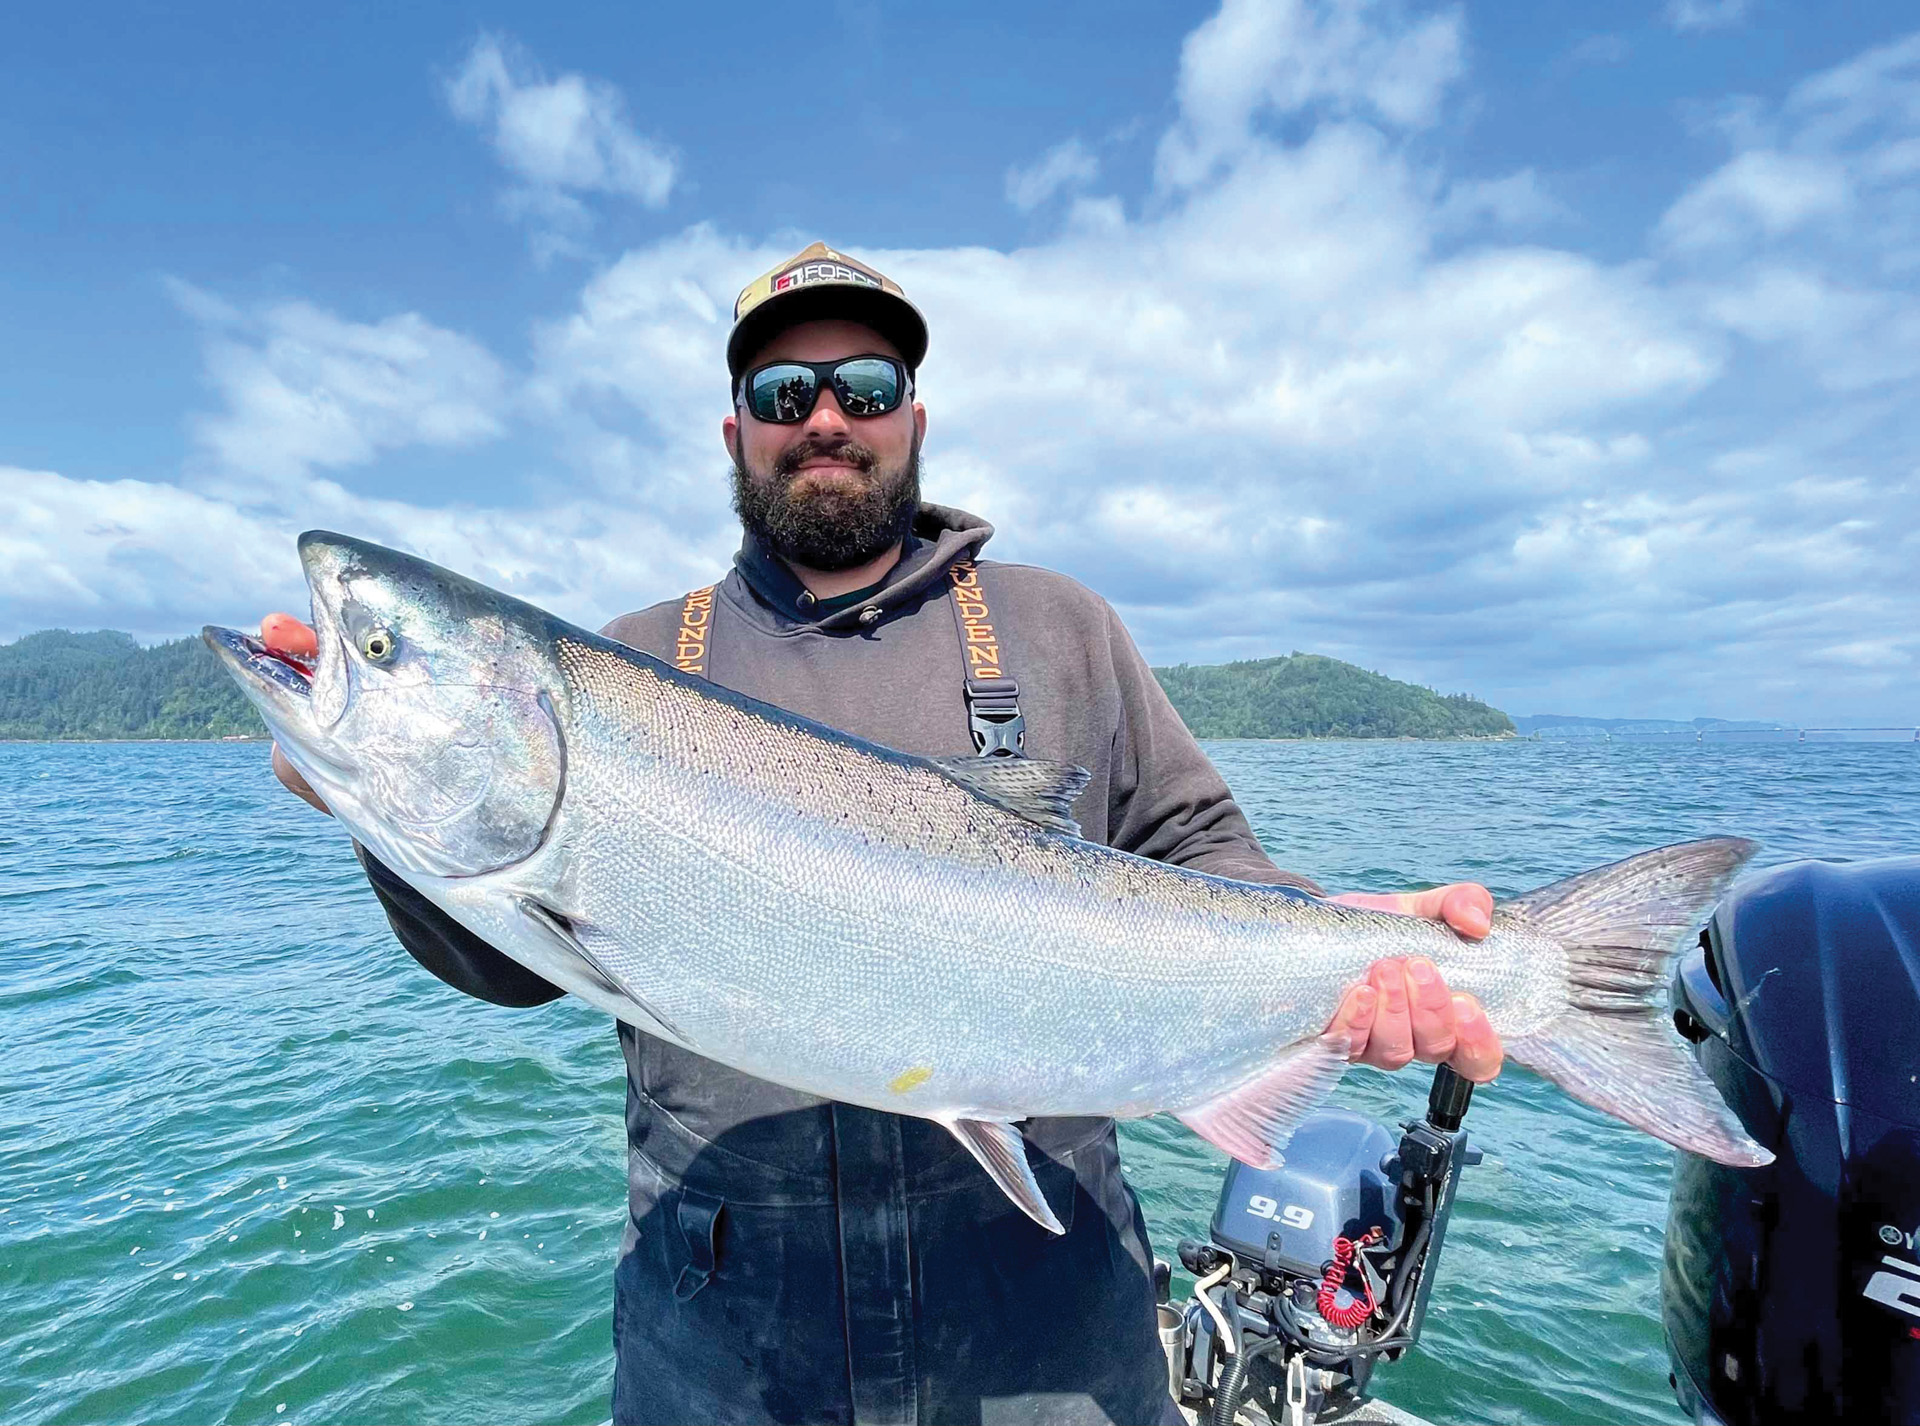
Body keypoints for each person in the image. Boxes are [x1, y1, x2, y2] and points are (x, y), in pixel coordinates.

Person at [260, 241, 1503, 1426]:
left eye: (865, 385)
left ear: (914, 415)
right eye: (783, 387)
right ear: (735, 426)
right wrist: (376, 799)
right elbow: (506, 960)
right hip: (725, 1351)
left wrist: (1340, 949)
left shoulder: (1059, 628)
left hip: (1048, 1344)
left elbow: (1200, 848)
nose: (825, 416)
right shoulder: (640, 659)